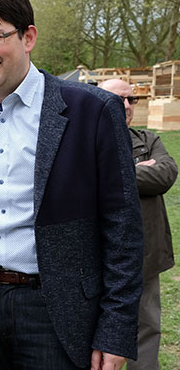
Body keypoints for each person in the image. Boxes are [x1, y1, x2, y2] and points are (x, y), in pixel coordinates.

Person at [0, 0, 143, 370]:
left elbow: (123, 230)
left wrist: (116, 329)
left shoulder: (93, 111)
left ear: (28, 37)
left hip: (58, 313)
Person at [100, 78, 177, 370]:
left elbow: (166, 175)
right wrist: (134, 171)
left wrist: (114, 175)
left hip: (145, 256)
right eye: (119, 98)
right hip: (99, 255)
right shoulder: (81, 141)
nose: (127, 105)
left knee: (146, 329)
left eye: (132, 99)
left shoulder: (148, 140)